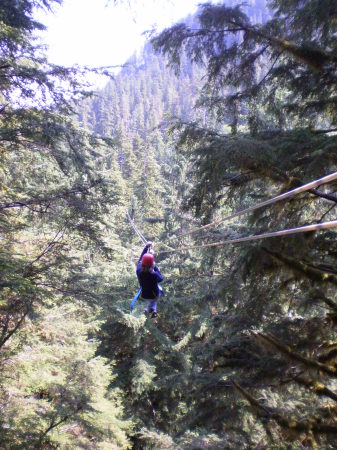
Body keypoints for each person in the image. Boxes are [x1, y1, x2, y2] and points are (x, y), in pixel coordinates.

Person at [136, 242, 163, 318]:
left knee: (153, 298)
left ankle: (151, 310)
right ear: (152, 264)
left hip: (144, 294)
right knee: (158, 292)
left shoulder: (138, 270)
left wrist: (146, 248)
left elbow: (140, 260)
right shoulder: (154, 275)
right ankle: (151, 309)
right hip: (154, 294)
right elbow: (161, 279)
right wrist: (155, 268)